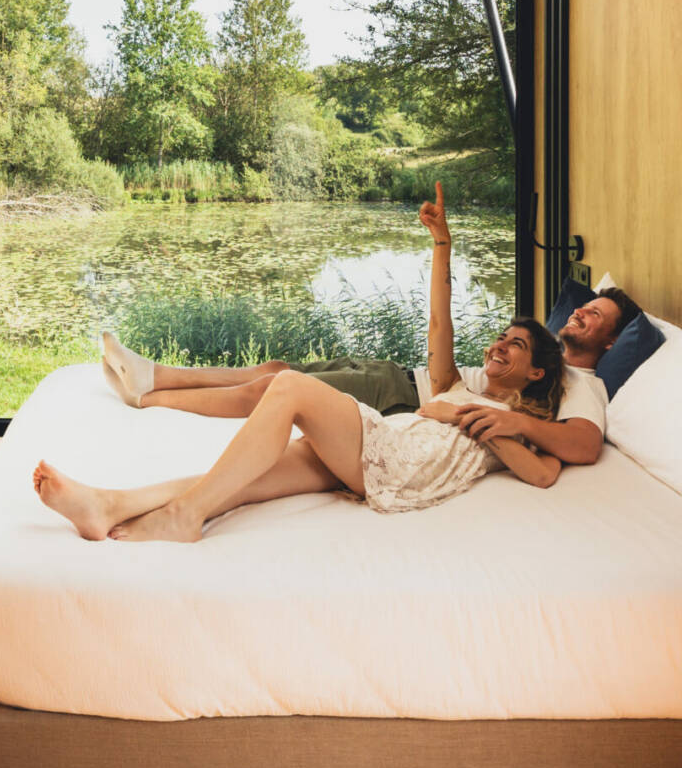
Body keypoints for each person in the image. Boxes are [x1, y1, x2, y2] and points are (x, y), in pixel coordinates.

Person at [32, 185, 569, 542]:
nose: (499, 346)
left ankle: (185, 516)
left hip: (395, 462)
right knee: (239, 477)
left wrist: (485, 425)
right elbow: (437, 323)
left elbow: (545, 475)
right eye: (500, 337)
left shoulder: (522, 423)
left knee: (285, 387)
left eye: (515, 345)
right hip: (384, 451)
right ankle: (109, 504)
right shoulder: (458, 384)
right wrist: (441, 244)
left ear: (537, 372)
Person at [100, 187, 637, 471]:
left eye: (596, 317)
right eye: (583, 306)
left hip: (398, 396)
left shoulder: (580, 386)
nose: (581, 312)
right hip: (399, 374)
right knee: (274, 369)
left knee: (269, 392)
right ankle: (154, 374)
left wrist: (510, 426)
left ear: (610, 343)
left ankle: (148, 400)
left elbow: (583, 446)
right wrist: (442, 247)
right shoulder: (529, 364)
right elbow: (441, 348)